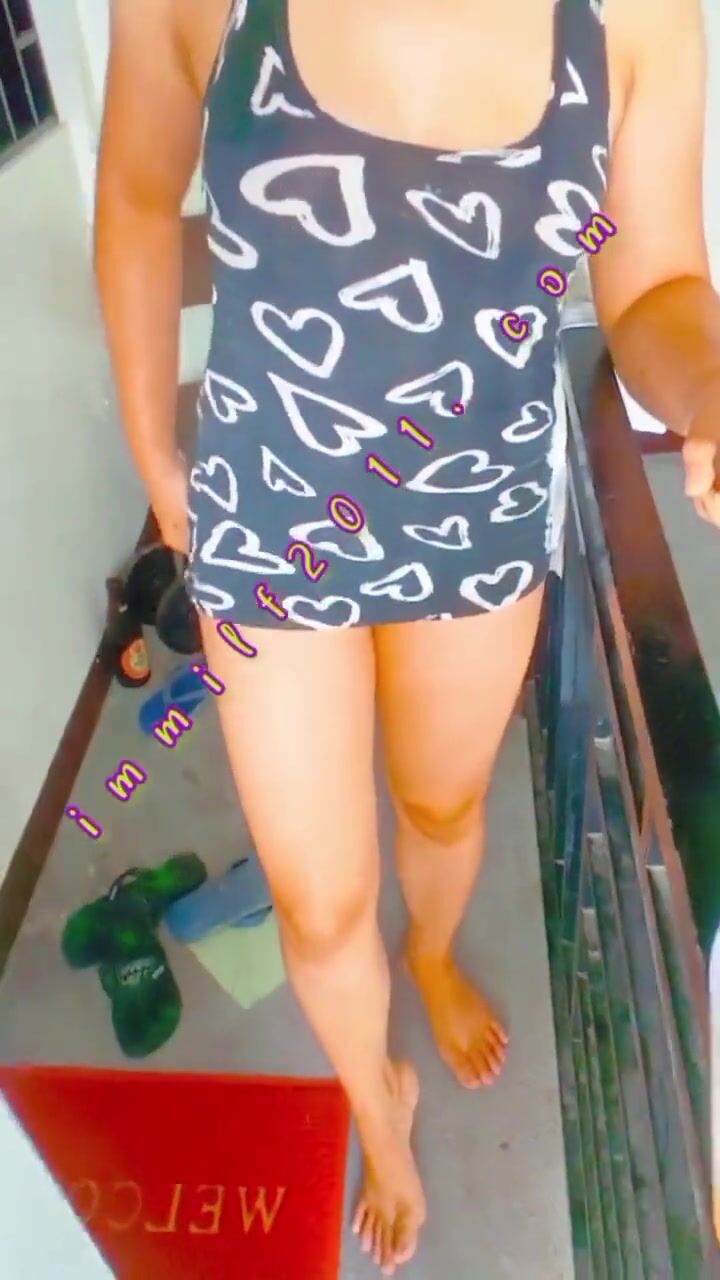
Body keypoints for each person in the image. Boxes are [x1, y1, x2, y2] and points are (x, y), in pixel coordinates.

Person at [95, 0, 720, 1270]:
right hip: (274, 517)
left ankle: (431, 954)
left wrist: (714, 391)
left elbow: (654, 278)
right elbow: (138, 199)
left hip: (477, 512)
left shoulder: (639, 18)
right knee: (322, 908)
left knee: (440, 807)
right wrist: (158, 459)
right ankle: (382, 1113)